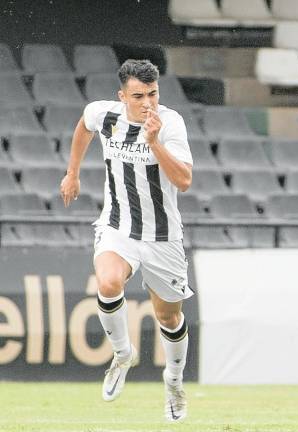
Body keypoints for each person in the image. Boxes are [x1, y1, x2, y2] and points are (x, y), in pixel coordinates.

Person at [59, 59, 193, 422]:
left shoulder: (170, 124)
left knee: (170, 317)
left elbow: (183, 181)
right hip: (118, 226)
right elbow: (83, 127)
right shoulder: (103, 114)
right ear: (122, 96)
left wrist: (154, 142)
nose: (147, 102)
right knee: (107, 281)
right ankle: (121, 355)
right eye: (138, 96)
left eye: (152, 94)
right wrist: (72, 173)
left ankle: (174, 381)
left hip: (163, 236)